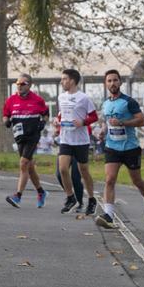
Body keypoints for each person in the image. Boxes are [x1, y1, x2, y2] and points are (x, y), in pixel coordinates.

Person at [95, 69, 144, 229]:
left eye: (115, 80)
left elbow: (142, 121)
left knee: (137, 181)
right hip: (112, 147)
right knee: (109, 179)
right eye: (109, 81)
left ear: (120, 82)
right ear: (106, 84)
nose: (112, 83)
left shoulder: (129, 102)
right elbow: (107, 123)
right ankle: (108, 215)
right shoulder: (105, 104)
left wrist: (123, 123)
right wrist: (103, 131)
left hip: (130, 148)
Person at [3, 73, 48, 208]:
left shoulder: (37, 100)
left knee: (23, 163)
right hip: (20, 136)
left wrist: (43, 122)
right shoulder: (11, 100)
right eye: (17, 83)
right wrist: (6, 121)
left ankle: (18, 196)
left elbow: (45, 114)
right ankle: (41, 192)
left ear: (30, 85)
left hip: (32, 135)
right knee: (29, 167)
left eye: (23, 84)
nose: (19, 86)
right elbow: (6, 114)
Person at [55, 68, 98, 216]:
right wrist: (57, 121)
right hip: (65, 138)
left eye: (64, 79)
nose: (62, 82)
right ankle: (70, 197)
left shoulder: (84, 98)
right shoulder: (61, 97)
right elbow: (61, 114)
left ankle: (91, 199)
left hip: (81, 140)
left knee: (83, 171)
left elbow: (94, 116)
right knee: (62, 169)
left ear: (72, 81)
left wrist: (83, 122)